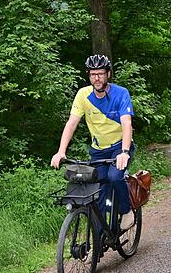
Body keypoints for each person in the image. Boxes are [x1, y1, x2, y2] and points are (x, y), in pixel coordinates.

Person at [51, 54, 136, 226]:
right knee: (97, 192)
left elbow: (127, 123)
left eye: (100, 74)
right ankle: (99, 239)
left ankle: (126, 211)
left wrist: (125, 152)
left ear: (108, 74)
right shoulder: (83, 95)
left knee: (114, 177)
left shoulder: (121, 94)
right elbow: (72, 123)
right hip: (98, 150)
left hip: (119, 146)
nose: (96, 78)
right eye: (92, 74)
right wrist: (61, 151)